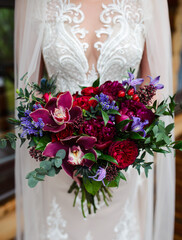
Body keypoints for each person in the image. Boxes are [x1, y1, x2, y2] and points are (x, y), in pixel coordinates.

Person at [14, 0, 175, 239]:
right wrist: (64, 148)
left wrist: (122, 145)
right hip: (59, 164)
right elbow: (28, 87)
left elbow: (154, 90)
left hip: (121, 166)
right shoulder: (33, 4)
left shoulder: (148, 3)